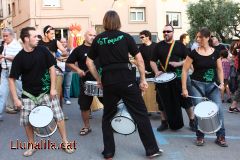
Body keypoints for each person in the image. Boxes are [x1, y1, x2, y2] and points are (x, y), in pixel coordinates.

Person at [86, 10, 162, 160]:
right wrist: (143, 80)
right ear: (118, 22)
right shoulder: (126, 37)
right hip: (126, 79)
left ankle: (108, 152)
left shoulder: (99, 39)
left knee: (107, 116)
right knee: (140, 114)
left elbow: (89, 62)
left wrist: (99, 79)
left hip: (108, 81)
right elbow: (139, 60)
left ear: (105, 22)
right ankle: (151, 150)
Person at [8, 27, 75, 156]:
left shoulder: (43, 51)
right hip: (28, 95)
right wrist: (16, 99)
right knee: (27, 121)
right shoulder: (19, 58)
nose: (38, 39)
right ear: (26, 39)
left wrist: (53, 88)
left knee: (58, 116)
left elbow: (51, 68)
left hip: (46, 91)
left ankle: (65, 142)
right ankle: (32, 145)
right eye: (34, 36)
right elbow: (11, 79)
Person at [182, 27, 227, 147]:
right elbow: (185, 70)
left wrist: (222, 83)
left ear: (207, 37)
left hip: (212, 86)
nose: (197, 39)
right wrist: (184, 89)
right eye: (197, 37)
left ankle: (221, 136)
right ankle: (200, 136)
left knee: (219, 110)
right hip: (197, 85)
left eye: (200, 37)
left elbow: (219, 69)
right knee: (199, 112)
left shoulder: (216, 52)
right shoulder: (193, 53)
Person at [150, 25, 192, 131]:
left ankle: (192, 121)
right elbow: (152, 61)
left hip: (177, 77)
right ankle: (164, 122)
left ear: (173, 32)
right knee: (161, 101)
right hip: (163, 78)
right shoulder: (158, 46)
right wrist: (156, 71)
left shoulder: (179, 45)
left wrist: (178, 63)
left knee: (185, 99)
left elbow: (189, 59)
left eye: (168, 31)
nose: (166, 33)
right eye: (164, 31)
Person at [66, 28, 102, 136]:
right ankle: (86, 127)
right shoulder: (79, 50)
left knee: (110, 104)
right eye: (90, 35)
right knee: (84, 106)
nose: (93, 37)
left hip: (101, 82)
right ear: (85, 36)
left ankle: (111, 123)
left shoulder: (101, 48)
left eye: (95, 35)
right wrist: (78, 70)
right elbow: (69, 62)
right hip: (86, 82)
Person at [38, 25, 68, 112]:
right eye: (51, 34)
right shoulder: (39, 43)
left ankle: (59, 111)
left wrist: (59, 55)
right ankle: (44, 110)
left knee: (57, 91)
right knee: (43, 92)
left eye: (53, 34)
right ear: (45, 34)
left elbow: (65, 52)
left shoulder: (55, 42)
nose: (53, 35)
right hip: (42, 70)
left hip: (54, 69)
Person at [0, 28, 22, 121]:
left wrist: (5, 57)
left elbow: (19, 58)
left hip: (14, 72)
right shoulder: (4, 44)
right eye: (3, 36)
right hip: (4, 71)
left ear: (12, 35)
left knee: (19, 92)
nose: (4, 38)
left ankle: (30, 110)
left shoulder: (16, 45)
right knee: (2, 93)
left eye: (6, 36)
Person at [59, 38, 72, 105]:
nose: (63, 43)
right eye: (62, 42)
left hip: (68, 70)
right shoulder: (57, 50)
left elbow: (71, 59)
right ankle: (58, 100)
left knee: (67, 86)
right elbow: (56, 58)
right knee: (58, 86)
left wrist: (61, 58)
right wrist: (65, 58)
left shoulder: (69, 50)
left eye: (64, 42)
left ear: (66, 43)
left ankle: (67, 99)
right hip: (59, 70)